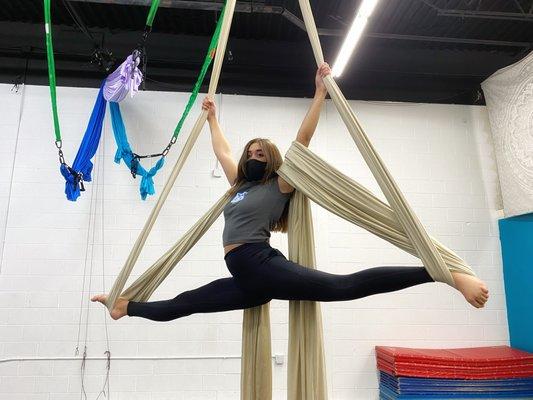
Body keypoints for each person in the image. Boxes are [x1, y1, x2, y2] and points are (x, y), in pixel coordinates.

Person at [92, 62, 489, 321]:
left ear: (272, 160)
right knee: (190, 304)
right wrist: (213, 118)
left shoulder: (279, 181)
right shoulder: (239, 185)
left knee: (341, 286)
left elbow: (301, 141)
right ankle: (127, 307)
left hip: (258, 260)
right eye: (251, 151)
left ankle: (443, 275)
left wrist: (318, 94)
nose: (253, 154)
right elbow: (224, 150)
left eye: (261, 152)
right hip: (250, 278)